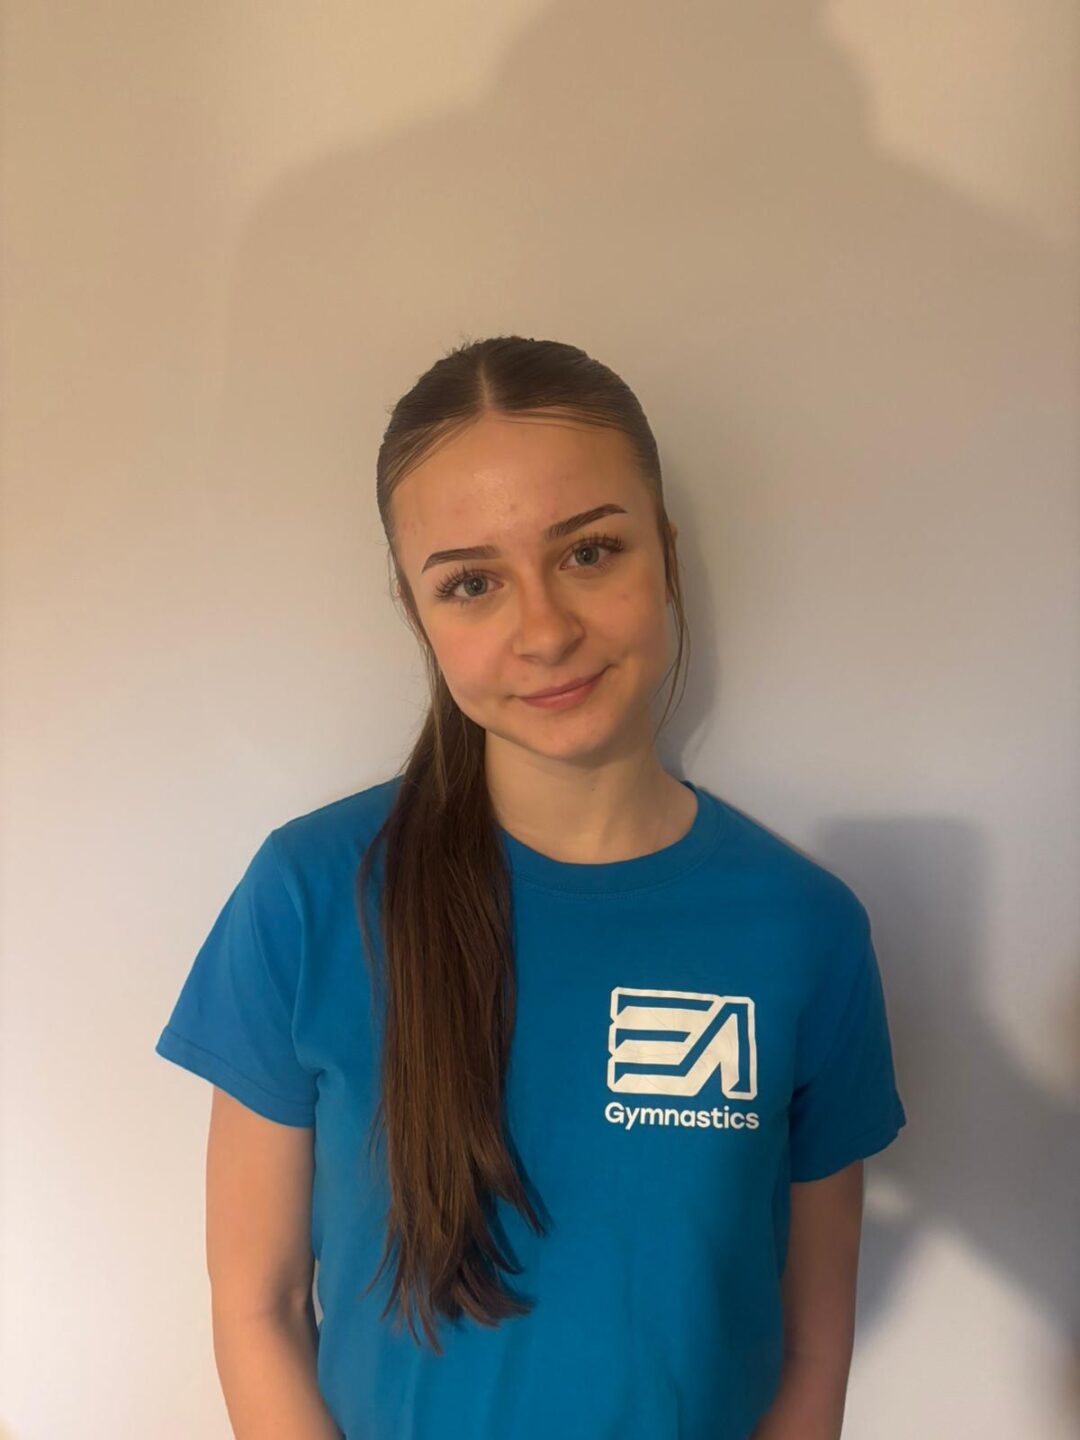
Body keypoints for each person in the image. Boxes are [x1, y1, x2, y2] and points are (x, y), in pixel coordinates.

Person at [155, 334, 907, 1440]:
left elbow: (811, 1345)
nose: (545, 631)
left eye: (590, 553)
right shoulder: (310, 897)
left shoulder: (804, 930)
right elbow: (256, 1307)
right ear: (419, 614)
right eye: (471, 583)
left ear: (666, 559)